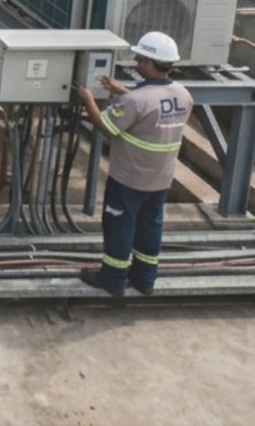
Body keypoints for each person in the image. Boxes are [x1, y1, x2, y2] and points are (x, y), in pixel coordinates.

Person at [74, 31, 194, 296]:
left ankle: (113, 279)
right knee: (150, 226)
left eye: (141, 60)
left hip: (129, 178)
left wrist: (88, 99)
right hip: (161, 178)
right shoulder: (183, 94)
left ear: (151, 63)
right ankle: (145, 279)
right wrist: (122, 91)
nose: (138, 64)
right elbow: (153, 105)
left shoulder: (135, 101)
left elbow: (105, 126)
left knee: (120, 225)